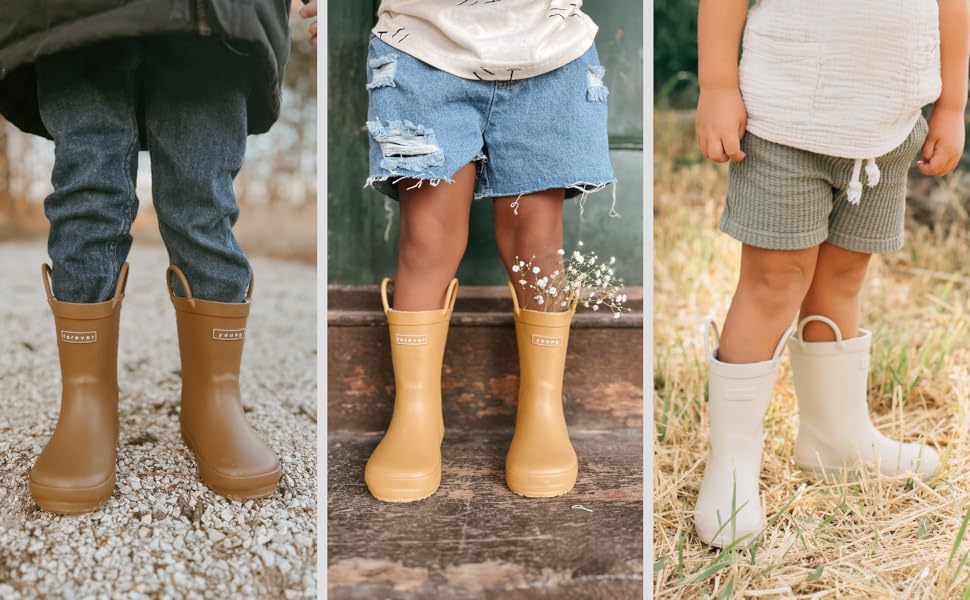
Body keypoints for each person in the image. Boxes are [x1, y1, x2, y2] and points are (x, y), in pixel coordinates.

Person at [0, 0, 317, 513]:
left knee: (204, 201)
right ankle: (88, 399)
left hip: (218, 15)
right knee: (86, 191)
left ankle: (212, 398)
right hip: (68, 12)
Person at [693, 0, 969, 547]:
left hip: (886, 127)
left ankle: (833, 438)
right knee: (774, 281)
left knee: (842, 276)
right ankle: (731, 463)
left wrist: (952, 105)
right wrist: (718, 86)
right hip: (786, 120)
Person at [360, 0, 616, 502]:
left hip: (550, 52)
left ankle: (543, 409)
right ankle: (416, 413)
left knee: (537, 246)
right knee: (426, 242)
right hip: (421, 48)